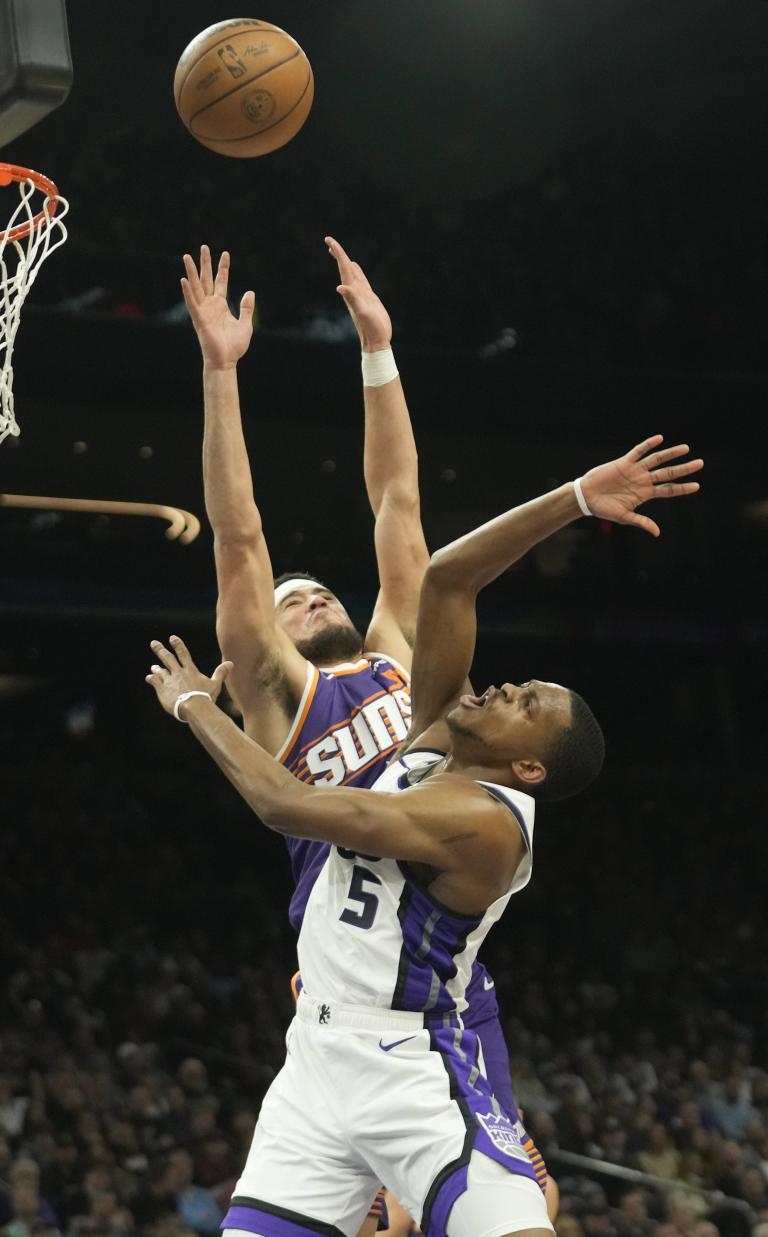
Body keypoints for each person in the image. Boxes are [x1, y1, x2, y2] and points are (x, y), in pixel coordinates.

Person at [145, 433, 702, 1237]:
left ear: (527, 766)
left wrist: (195, 704)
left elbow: (281, 803)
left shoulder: (483, 820)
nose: (509, 685)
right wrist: (577, 494)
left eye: (528, 703)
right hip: (317, 1054)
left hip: (414, 1062)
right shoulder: (438, 735)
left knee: (528, 1219)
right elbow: (445, 575)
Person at [182, 239, 555, 1218]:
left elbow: (397, 498)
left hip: (436, 981)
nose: (301, 599)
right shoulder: (274, 695)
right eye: (288, 602)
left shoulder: (402, 652)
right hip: (345, 989)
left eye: (313, 592)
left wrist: (377, 352)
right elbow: (240, 534)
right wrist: (222, 370)